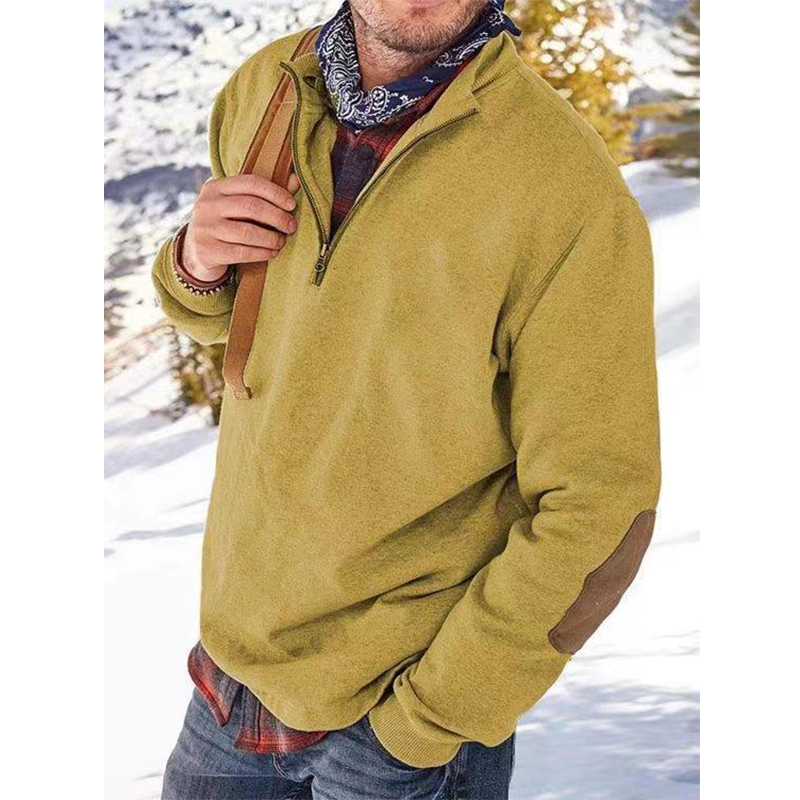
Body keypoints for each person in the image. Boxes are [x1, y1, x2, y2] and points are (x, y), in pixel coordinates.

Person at [152, 2, 661, 798]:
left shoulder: (562, 181)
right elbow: (236, 325)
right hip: (232, 680)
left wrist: (427, 721)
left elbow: (604, 505)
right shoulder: (267, 88)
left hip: (395, 726)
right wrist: (194, 261)